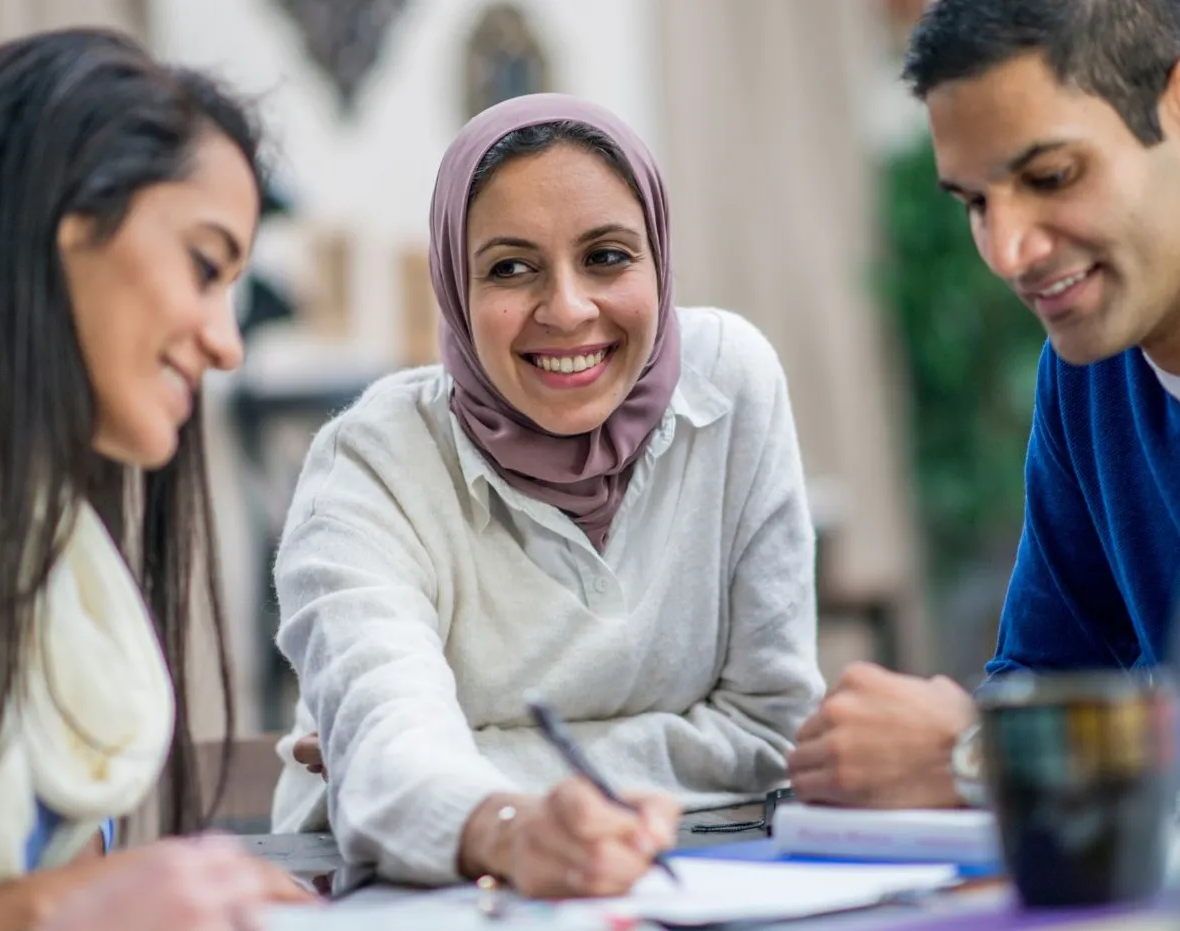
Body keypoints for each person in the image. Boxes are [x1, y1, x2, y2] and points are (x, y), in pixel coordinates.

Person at [271, 93, 825, 898]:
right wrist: (495, 820)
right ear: (454, 286)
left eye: (607, 256)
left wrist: (465, 759)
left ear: (658, 260)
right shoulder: (370, 462)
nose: (567, 308)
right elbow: (387, 761)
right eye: (509, 267)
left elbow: (769, 731)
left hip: (694, 876)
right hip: (408, 895)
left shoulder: (732, 383)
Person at [788, 0, 1180, 809]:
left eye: (1050, 176)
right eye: (974, 201)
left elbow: (1007, 740)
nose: (1007, 252)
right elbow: (1045, 675)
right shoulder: (1086, 373)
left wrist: (978, 756)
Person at [0, 28, 311, 928]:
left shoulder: (53, 560)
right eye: (203, 266)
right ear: (65, 218)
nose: (227, 344)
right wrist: (59, 910)